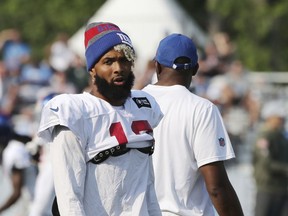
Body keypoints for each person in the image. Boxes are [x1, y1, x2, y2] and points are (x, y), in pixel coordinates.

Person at [37, 22, 163, 216]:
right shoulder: (75, 112)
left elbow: (148, 186)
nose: (119, 68)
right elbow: (69, 196)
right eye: (108, 61)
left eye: (125, 60)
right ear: (92, 68)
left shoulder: (143, 106)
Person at [143, 33, 244, 216]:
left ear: (157, 66)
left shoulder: (133, 102)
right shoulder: (202, 109)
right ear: (196, 69)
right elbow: (217, 188)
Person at [252, 100, 288, 216]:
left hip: (282, 187)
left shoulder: (281, 136)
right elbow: (266, 163)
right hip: (268, 187)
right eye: (279, 117)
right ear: (270, 117)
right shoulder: (264, 137)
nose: (282, 120)